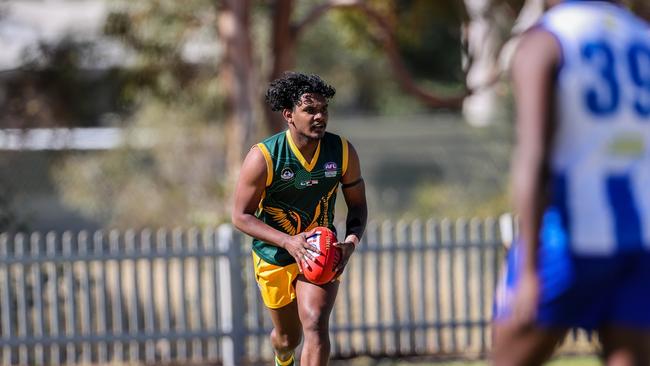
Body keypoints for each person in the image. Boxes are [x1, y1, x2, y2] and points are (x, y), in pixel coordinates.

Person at [492, 1, 650, 365]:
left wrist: (529, 271)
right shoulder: (640, 38)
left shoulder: (548, 40)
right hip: (637, 241)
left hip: (568, 238)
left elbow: (534, 157)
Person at [232, 72, 367, 366]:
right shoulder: (264, 157)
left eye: (324, 109)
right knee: (288, 339)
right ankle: (282, 357)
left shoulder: (342, 151)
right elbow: (240, 216)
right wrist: (288, 241)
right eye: (310, 110)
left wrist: (351, 242)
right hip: (275, 253)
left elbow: (358, 207)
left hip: (321, 250)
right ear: (289, 115)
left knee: (317, 324)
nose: (320, 116)